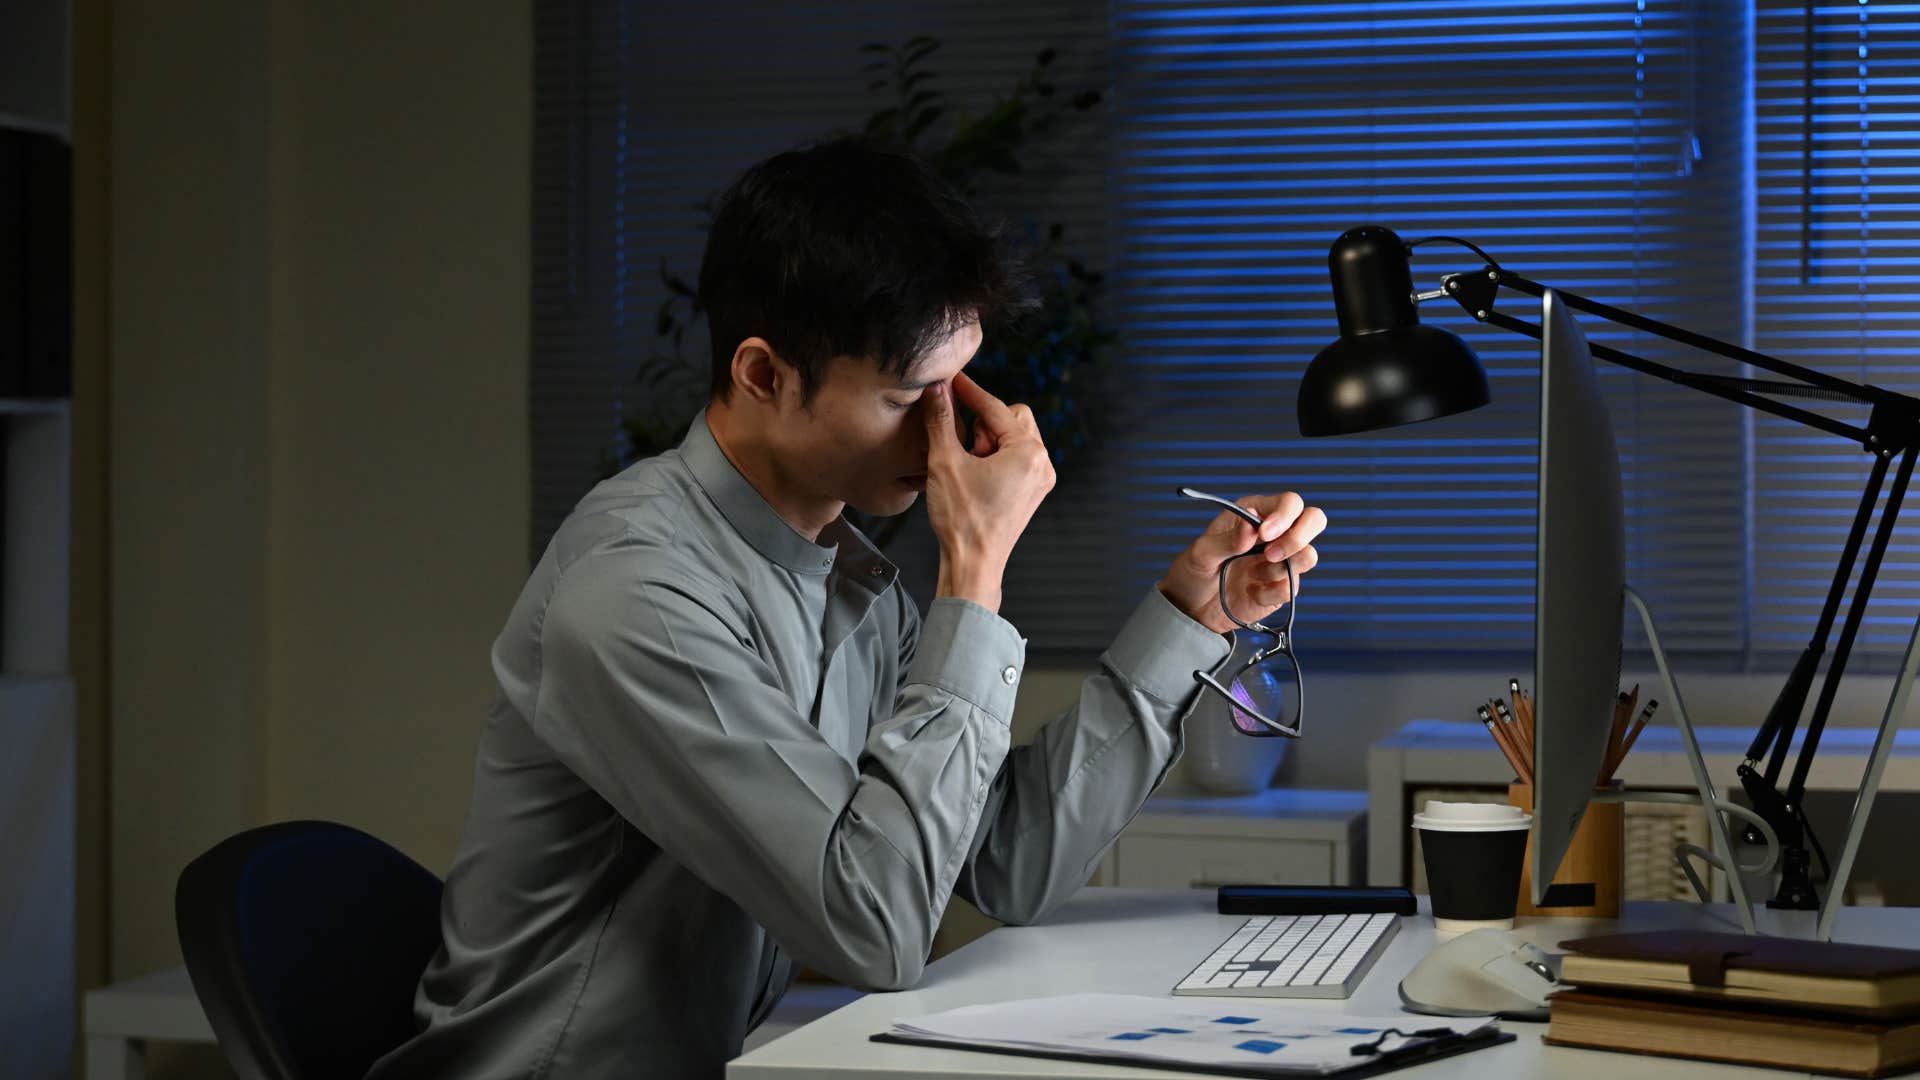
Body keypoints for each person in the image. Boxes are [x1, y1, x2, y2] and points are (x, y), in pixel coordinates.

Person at [367, 136, 1325, 1080]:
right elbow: (878, 927)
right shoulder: (634, 592)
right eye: (910, 394)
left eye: (957, 389)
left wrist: (1193, 618)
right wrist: (975, 563)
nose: (948, 436)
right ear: (763, 376)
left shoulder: (843, 574)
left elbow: (1007, 862)